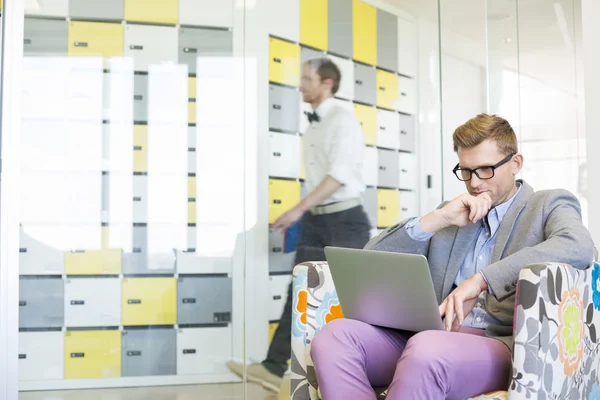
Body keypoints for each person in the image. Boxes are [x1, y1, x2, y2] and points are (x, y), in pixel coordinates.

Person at [310, 114, 596, 399]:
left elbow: (578, 245)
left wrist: (482, 279)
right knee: (333, 338)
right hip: (428, 333)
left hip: (496, 343)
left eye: (485, 169)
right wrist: (437, 218)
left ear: (515, 164)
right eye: (466, 171)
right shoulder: (455, 212)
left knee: (427, 350)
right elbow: (371, 257)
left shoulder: (547, 204)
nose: (474, 183)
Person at [228, 58, 372, 391]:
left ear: (327, 83)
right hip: (317, 220)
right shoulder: (315, 125)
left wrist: (295, 210)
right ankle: (273, 366)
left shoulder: (342, 121)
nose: (300, 84)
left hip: (344, 221)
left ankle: (353, 370)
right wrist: (303, 212)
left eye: (307, 79)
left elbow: (338, 176)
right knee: (300, 292)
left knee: (347, 299)